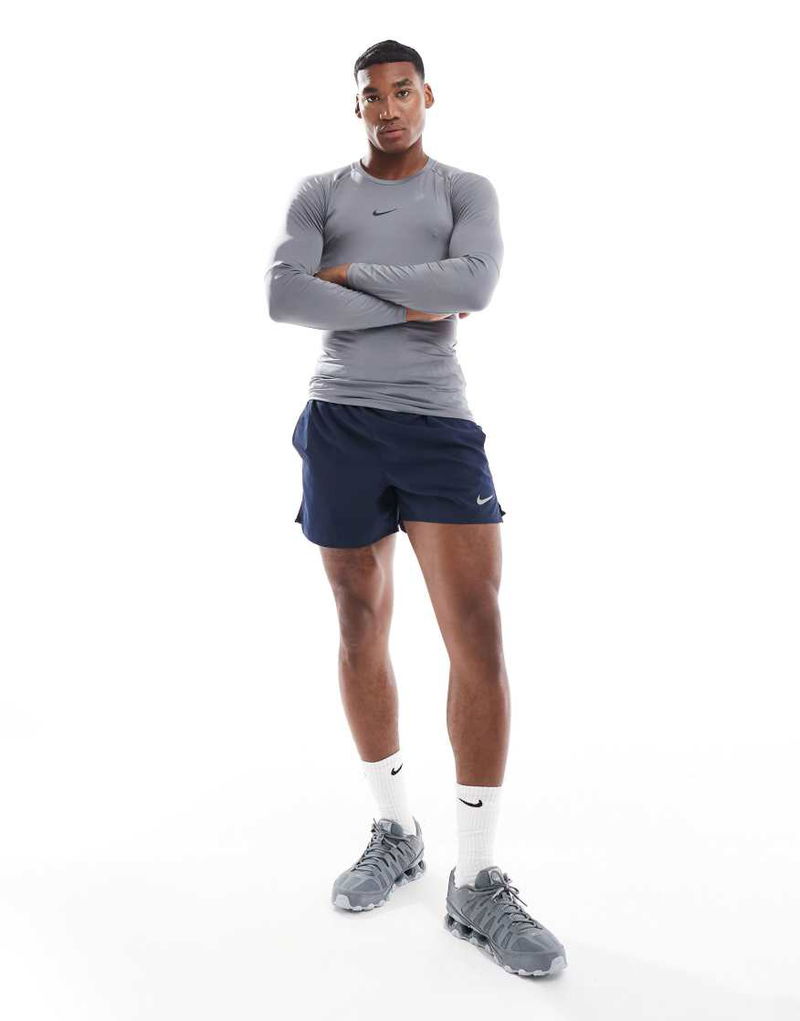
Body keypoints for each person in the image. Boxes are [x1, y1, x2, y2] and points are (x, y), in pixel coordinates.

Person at [265, 39, 566, 978]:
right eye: (373, 96)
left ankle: (475, 878)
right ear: (356, 107)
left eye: (403, 92)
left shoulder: (463, 190)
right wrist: (410, 301)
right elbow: (282, 297)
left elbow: (473, 286)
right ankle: (395, 830)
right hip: (339, 420)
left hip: (437, 425)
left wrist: (347, 280)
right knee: (359, 621)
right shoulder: (319, 195)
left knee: (476, 631)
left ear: (428, 96)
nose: (389, 108)